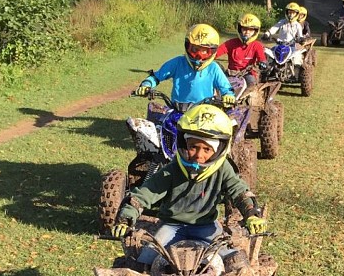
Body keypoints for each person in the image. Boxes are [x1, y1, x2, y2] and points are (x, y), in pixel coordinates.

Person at [111, 104, 267, 267]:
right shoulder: (172, 169)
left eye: (207, 149)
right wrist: (126, 218)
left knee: (235, 263)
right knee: (144, 262)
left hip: (206, 227)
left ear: (219, 150)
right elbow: (145, 194)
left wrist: (251, 214)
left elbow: (239, 190)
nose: (199, 155)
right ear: (184, 144)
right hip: (171, 225)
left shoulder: (223, 168)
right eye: (193, 147)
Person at [135, 24, 236, 112]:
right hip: (177, 109)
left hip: (203, 112)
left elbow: (226, 88)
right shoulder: (177, 63)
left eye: (205, 51)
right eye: (195, 49)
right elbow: (157, 76)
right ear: (187, 46)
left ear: (213, 51)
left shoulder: (213, 68)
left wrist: (229, 96)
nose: (199, 55)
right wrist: (146, 84)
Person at [215, 13, 267, 87]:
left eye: (251, 30)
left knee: (251, 84)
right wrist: (207, 56)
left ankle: (250, 98)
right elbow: (217, 52)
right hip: (231, 73)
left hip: (248, 74)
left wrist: (263, 63)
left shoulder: (257, 45)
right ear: (240, 29)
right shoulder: (231, 43)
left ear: (255, 31)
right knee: (216, 81)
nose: (247, 32)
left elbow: (261, 58)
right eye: (244, 29)